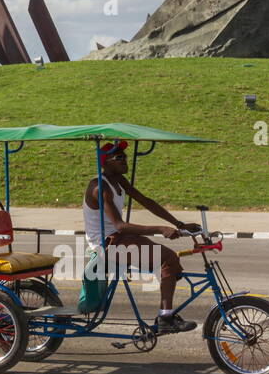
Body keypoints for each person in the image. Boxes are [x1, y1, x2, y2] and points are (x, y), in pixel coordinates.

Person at [83, 140, 199, 333]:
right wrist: (161, 229)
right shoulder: (99, 187)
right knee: (168, 258)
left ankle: (166, 305)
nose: (125, 160)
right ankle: (165, 318)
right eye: (119, 157)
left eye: (125, 157)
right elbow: (120, 226)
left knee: (170, 262)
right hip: (108, 244)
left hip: (121, 239)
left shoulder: (118, 180)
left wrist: (178, 224)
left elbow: (146, 201)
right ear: (106, 162)